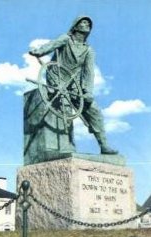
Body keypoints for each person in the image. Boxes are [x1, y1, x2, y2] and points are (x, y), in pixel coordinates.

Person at [29, 16, 118, 154]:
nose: (87, 24)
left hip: (74, 84)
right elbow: (52, 45)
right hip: (57, 78)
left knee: (93, 110)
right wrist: (39, 51)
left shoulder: (89, 51)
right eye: (83, 22)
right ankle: (68, 145)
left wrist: (87, 91)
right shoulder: (66, 39)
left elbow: (88, 72)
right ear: (75, 26)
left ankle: (104, 145)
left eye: (88, 23)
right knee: (64, 108)